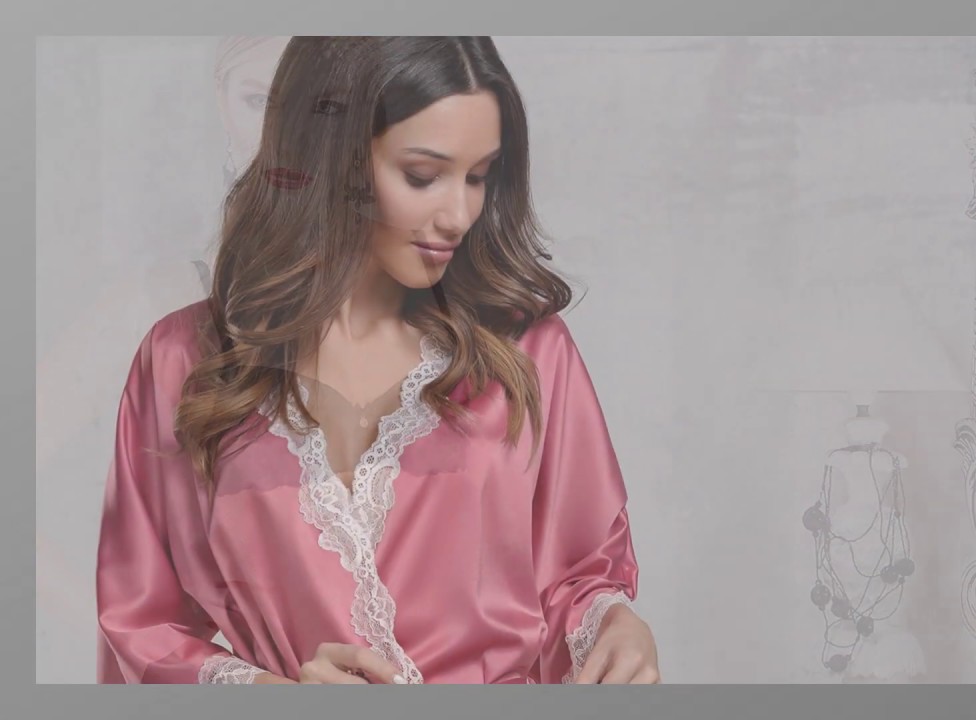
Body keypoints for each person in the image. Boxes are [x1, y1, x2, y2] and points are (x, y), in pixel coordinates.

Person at [95, 36, 660, 685]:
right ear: (326, 156)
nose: (459, 215)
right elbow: (140, 622)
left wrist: (615, 624)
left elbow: (580, 577)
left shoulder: (528, 352)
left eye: (479, 176)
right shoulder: (183, 361)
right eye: (422, 175)